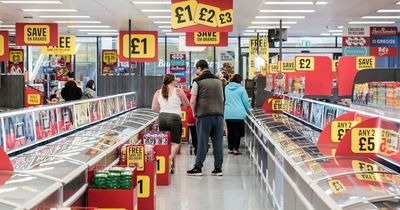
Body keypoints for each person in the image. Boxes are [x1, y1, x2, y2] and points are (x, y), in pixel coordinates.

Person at [187, 60, 225, 176]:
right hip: (219, 115)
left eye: (196, 69)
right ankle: (218, 169)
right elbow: (222, 99)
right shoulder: (219, 81)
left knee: (202, 142)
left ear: (199, 68)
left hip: (204, 116)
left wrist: (194, 112)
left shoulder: (197, 81)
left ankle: (198, 167)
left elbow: (192, 101)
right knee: (218, 142)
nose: (196, 72)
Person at [151, 74, 190, 174]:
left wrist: (164, 109)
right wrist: (179, 104)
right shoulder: (178, 91)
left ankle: (168, 163)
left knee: (165, 142)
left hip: (162, 117)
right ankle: (169, 159)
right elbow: (187, 104)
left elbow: (154, 108)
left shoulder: (157, 92)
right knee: (176, 143)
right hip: (174, 118)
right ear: (173, 81)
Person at [224, 74, 251, 155]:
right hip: (239, 114)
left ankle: (230, 148)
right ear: (240, 81)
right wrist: (248, 111)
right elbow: (245, 102)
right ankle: (236, 149)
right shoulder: (242, 89)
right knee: (237, 132)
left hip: (228, 113)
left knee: (230, 131)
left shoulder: (226, 88)